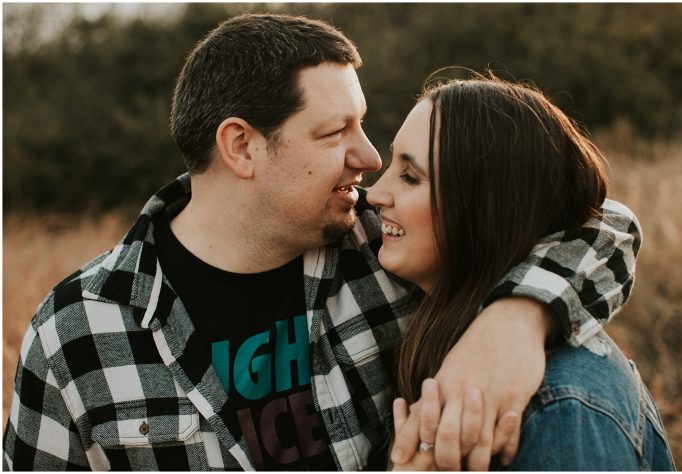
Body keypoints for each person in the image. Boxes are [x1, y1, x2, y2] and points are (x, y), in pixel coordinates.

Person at [2, 14, 642, 471]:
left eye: (363, 124)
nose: (369, 157)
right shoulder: (76, 333)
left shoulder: (381, 243)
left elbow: (586, 219)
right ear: (241, 146)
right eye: (336, 132)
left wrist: (516, 320)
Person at [366, 77, 674, 471]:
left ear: (486, 210)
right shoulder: (439, 324)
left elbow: (611, 219)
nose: (374, 194)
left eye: (410, 176)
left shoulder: (561, 412)